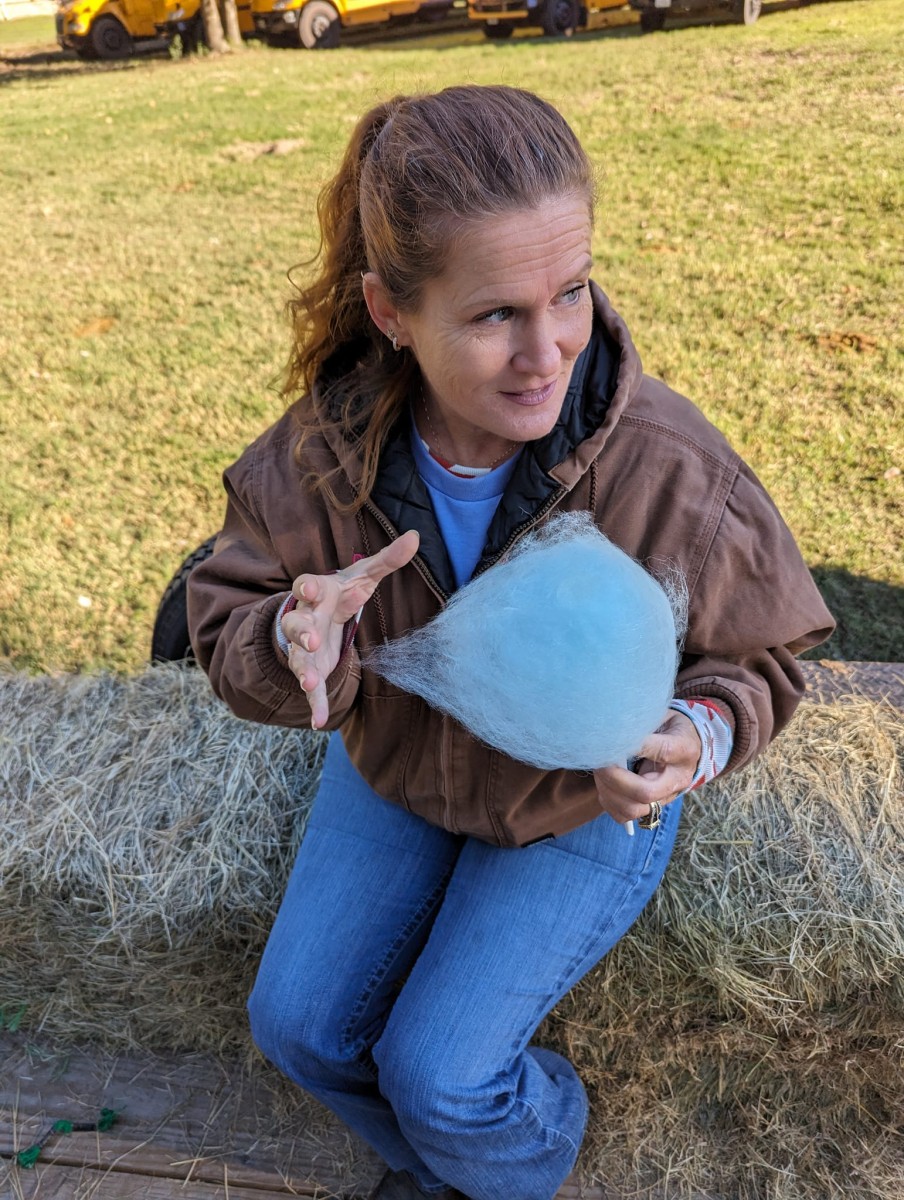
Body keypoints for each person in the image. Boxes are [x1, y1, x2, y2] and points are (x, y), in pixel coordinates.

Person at [188, 86, 834, 1200]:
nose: (548, 353)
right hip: (398, 770)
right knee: (295, 1028)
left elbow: (760, 658)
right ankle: (448, 1171)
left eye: (570, 292)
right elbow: (227, 614)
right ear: (390, 310)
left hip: (575, 804)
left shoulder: (669, 465)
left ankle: (505, 1160)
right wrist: (287, 637)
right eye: (494, 315)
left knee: (440, 1077)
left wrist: (693, 735)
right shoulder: (322, 457)